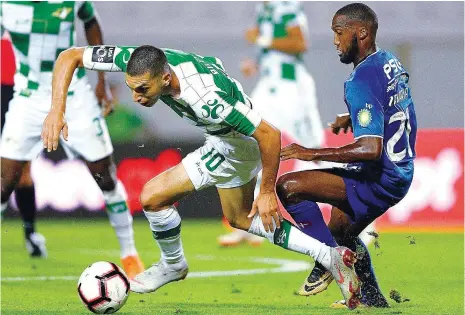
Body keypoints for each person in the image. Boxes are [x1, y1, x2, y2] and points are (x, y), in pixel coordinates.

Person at [42, 44, 362, 308]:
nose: (137, 97)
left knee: (154, 197)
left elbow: (269, 134)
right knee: (232, 217)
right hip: (223, 139)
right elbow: (69, 55)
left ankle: (174, 265)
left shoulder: (208, 101)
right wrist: (57, 110)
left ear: (166, 78)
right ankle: (332, 257)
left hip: (238, 146)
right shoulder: (138, 60)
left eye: (143, 89)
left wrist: (266, 192)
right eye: (132, 88)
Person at [276, 2, 417, 308]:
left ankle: (328, 260)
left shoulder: (360, 80)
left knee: (288, 187)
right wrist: (352, 117)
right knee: (341, 230)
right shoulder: (388, 61)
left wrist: (310, 152)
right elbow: (394, 105)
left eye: (339, 32)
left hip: (380, 175)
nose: (335, 41)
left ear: (361, 32)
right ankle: (372, 298)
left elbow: (370, 149)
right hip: (401, 170)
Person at [0, 1, 144, 278]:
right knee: (4, 183)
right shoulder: (6, 5)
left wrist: (101, 80)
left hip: (74, 96)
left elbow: (91, 22)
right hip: (27, 98)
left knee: (105, 176)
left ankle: (129, 253)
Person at [218, 0, 325, 247]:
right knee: (247, 141)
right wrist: (255, 64)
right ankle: (250, 223)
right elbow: (270, 49)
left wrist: (261, 41)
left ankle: (359, 208)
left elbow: (300, 43)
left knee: (314, 152)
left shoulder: (286, 7)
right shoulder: (263, 9)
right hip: (269, 86)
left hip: (291, 88)